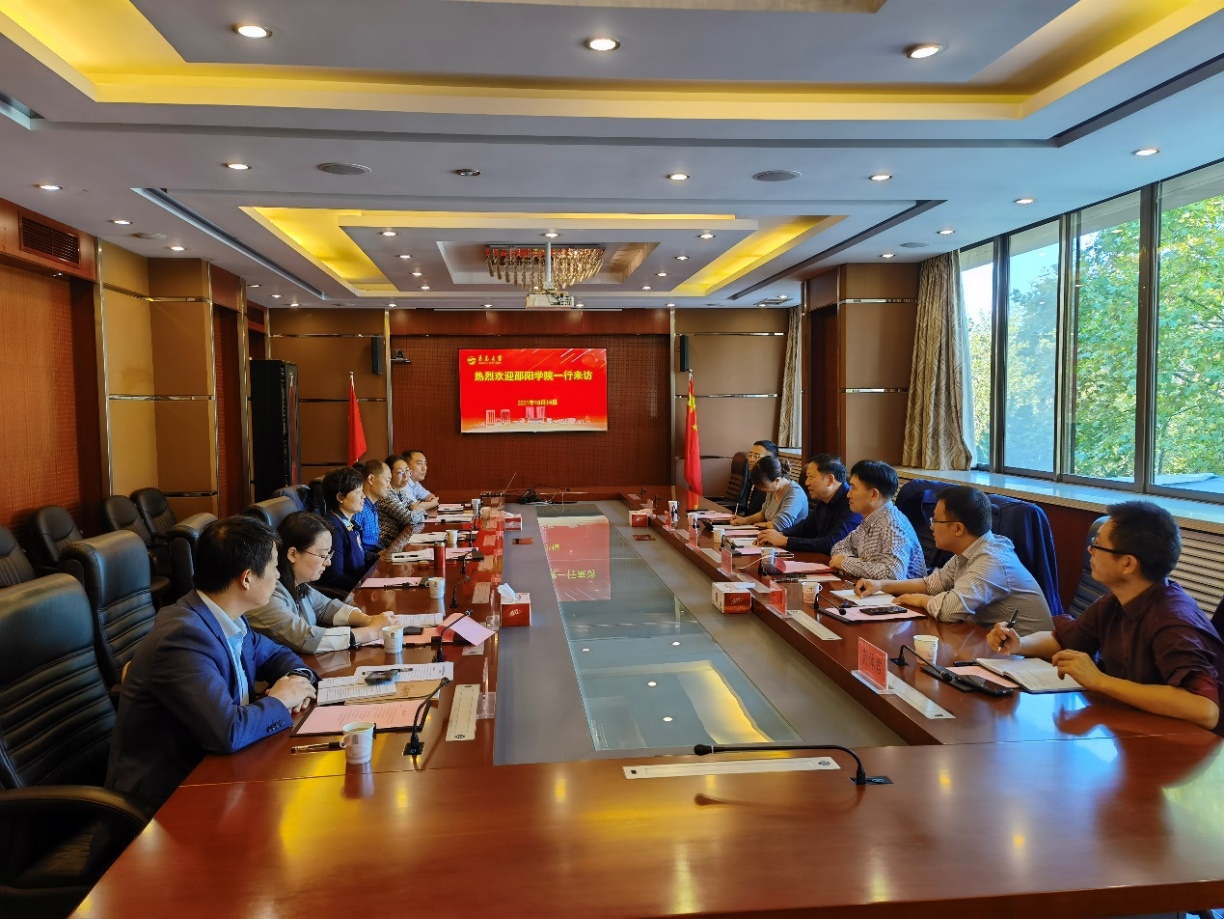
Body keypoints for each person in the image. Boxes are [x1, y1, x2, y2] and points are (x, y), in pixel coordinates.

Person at [105, 516, 316, 815]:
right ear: (246, 579)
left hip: (220, 772)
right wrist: (281, 699)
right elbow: (228, 731)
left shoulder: (227, 615)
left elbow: (274, 655)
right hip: (166, 802)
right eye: (273, 567)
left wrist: (298, 679)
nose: (279, 575)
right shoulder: (184, 637)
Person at [988, 501, 1223, 734]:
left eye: (1097, 545)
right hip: (1136, 728)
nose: (1090, 550)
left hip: (1190, 744)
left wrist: (1100, 681)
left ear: (1128, 564)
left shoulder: (1172, 622)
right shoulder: (1117, 600)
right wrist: (1020, 643)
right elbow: (1066, 640)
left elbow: (1205, 709)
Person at [853, 485, 1053, 635]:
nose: (931, 527)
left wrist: (919, 600)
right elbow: (932, 584)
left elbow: (949, 610)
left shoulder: (991, 561)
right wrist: (880, 585)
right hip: (990, 642)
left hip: (1028, 659)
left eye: (935, 521)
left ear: (958, 528)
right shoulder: (970, 550)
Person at [247, 511, 398, 653]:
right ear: (293, 554)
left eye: (329, 555)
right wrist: (371, 632)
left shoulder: (298, 584)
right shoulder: (268, 595)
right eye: (322, 555)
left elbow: (326, 607)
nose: (328, 562)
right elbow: (305, 638)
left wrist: (369, 620)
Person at [828, 459, 925, 580]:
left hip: (898, 592)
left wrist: (846, 564)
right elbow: (839, 547)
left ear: (873, 494)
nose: (848, 494)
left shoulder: (892, 525)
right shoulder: (870, 520)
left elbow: (893, 574)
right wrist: (850, 560)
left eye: (853, 488)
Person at [756, 453, 860, 554]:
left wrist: (785, 541)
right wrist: (780, 534)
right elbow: (805, 527)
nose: (806, 482)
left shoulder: (851, 503)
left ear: (830, 479)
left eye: (811, 477)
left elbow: (832, 544)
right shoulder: (824, 500)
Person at [318, 465, 370, 594]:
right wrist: (365, 589)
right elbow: (335, 577)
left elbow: (358, 555)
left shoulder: (347, 521)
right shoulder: (332, 529)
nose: (364, 496)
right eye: (358, 492)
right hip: (348, 595)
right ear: (340, 497)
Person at [729, 455, 807, 530]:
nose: (761, 489)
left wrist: (762, 525)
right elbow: (763, 514)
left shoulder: (795, 493)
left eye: (763, 486)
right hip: (772, 535)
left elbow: (781, 524)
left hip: (789, 537)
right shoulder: (773, 490)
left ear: (777, 481)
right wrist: (744, 520)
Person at [379, 454, 425, 545]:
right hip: (387, 546)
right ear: (389, 475)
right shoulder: (386, 495)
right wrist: (416, 510)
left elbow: (422, 512)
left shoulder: (401, 493)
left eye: (407, 471)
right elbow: (410, 519)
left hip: (400, 541)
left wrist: (416, 510)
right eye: (400, 472)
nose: (405, 476)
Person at [353, 457, 392, 562]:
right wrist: (378, 556)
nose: (389, 486)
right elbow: (356, 551)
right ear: (371, 479)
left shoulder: (373, 506)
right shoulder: (359, 509)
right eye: (387, 480)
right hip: (368, 566)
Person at [732, 440, 778, 518]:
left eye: (756, 456)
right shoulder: (753, 479)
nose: (751, 459)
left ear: (770, 460)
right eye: (750, 455)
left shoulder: (774, 484)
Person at [402, 449, 440, 515]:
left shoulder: (415, 482)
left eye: (425, 464)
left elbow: (429, 496)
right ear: (406, 466)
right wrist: (431, 504)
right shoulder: (402, 484)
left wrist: (428, 500)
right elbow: (414, 509)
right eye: (419, 463)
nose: (424, 468)